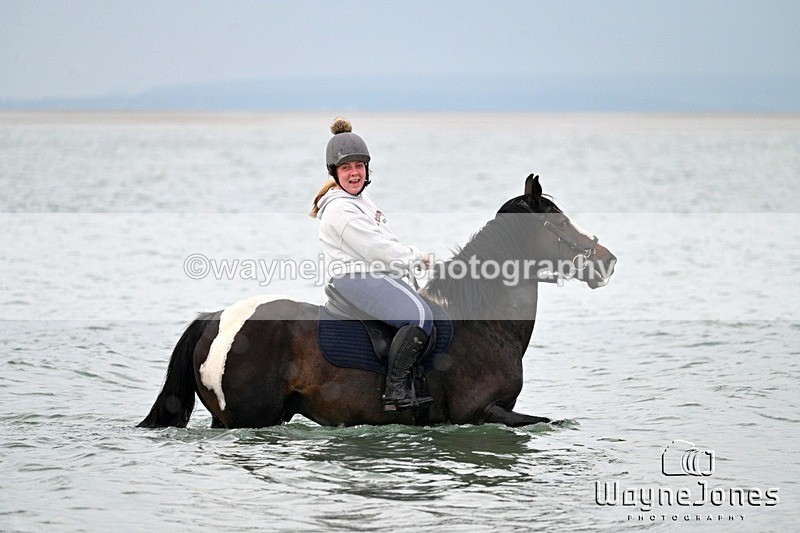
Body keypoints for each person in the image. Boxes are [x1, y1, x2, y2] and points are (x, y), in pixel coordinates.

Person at [310, 117, 433, 412]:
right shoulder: (340, 210)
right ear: (335, 173)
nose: (354, 173)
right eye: (346, 168)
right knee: (419, 317)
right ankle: (395, 392)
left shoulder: (361, 199)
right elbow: (379, 251)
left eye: (358, 167)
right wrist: (418, 256)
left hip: (372, 275)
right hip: (354, 279)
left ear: (367, 169)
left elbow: (386, 240)